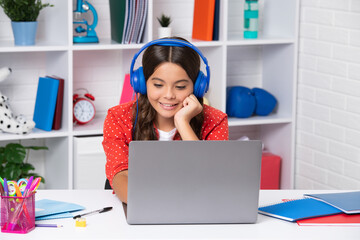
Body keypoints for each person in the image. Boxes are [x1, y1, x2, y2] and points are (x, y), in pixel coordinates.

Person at [102, 37, 229, 204]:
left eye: (181, 87)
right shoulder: (119, 118)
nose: (169, 95)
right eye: (158, 85)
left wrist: (183, 123)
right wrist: (159, 206)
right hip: (140, 204)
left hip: (193, 205)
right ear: (141, 83)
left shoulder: (216, 120)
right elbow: (121, 174)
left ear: (198, 86)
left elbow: (211, 179)